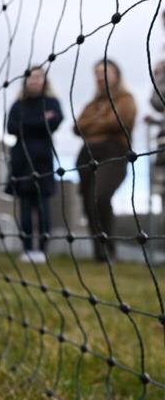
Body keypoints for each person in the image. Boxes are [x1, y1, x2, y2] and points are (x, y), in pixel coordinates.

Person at [74, 59, 137, 262]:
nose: (100, 76)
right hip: (86, 155)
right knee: (87, 202)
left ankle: (110, 248)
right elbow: (77, 127)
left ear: (116, 74)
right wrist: (102, 120)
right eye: (97, 73)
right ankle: (99, 253)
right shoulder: (91, 104)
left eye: (104, 72)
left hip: (114, 153)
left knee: (100, 196)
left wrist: (93, 125)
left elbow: (119, 121)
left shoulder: (126, 99)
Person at [6, 67, 63, 264]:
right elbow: (11, 127)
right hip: (21, 162)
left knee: (43, 208)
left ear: (45, 80)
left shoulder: (52, 102)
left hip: (43, 162)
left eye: (38, 77)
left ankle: (42, 250)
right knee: (25, 210)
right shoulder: (17, 105)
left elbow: (55, 122)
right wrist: (41, 120)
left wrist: (26, 124)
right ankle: (27, 249)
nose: (34, 81)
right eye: (30, 77)